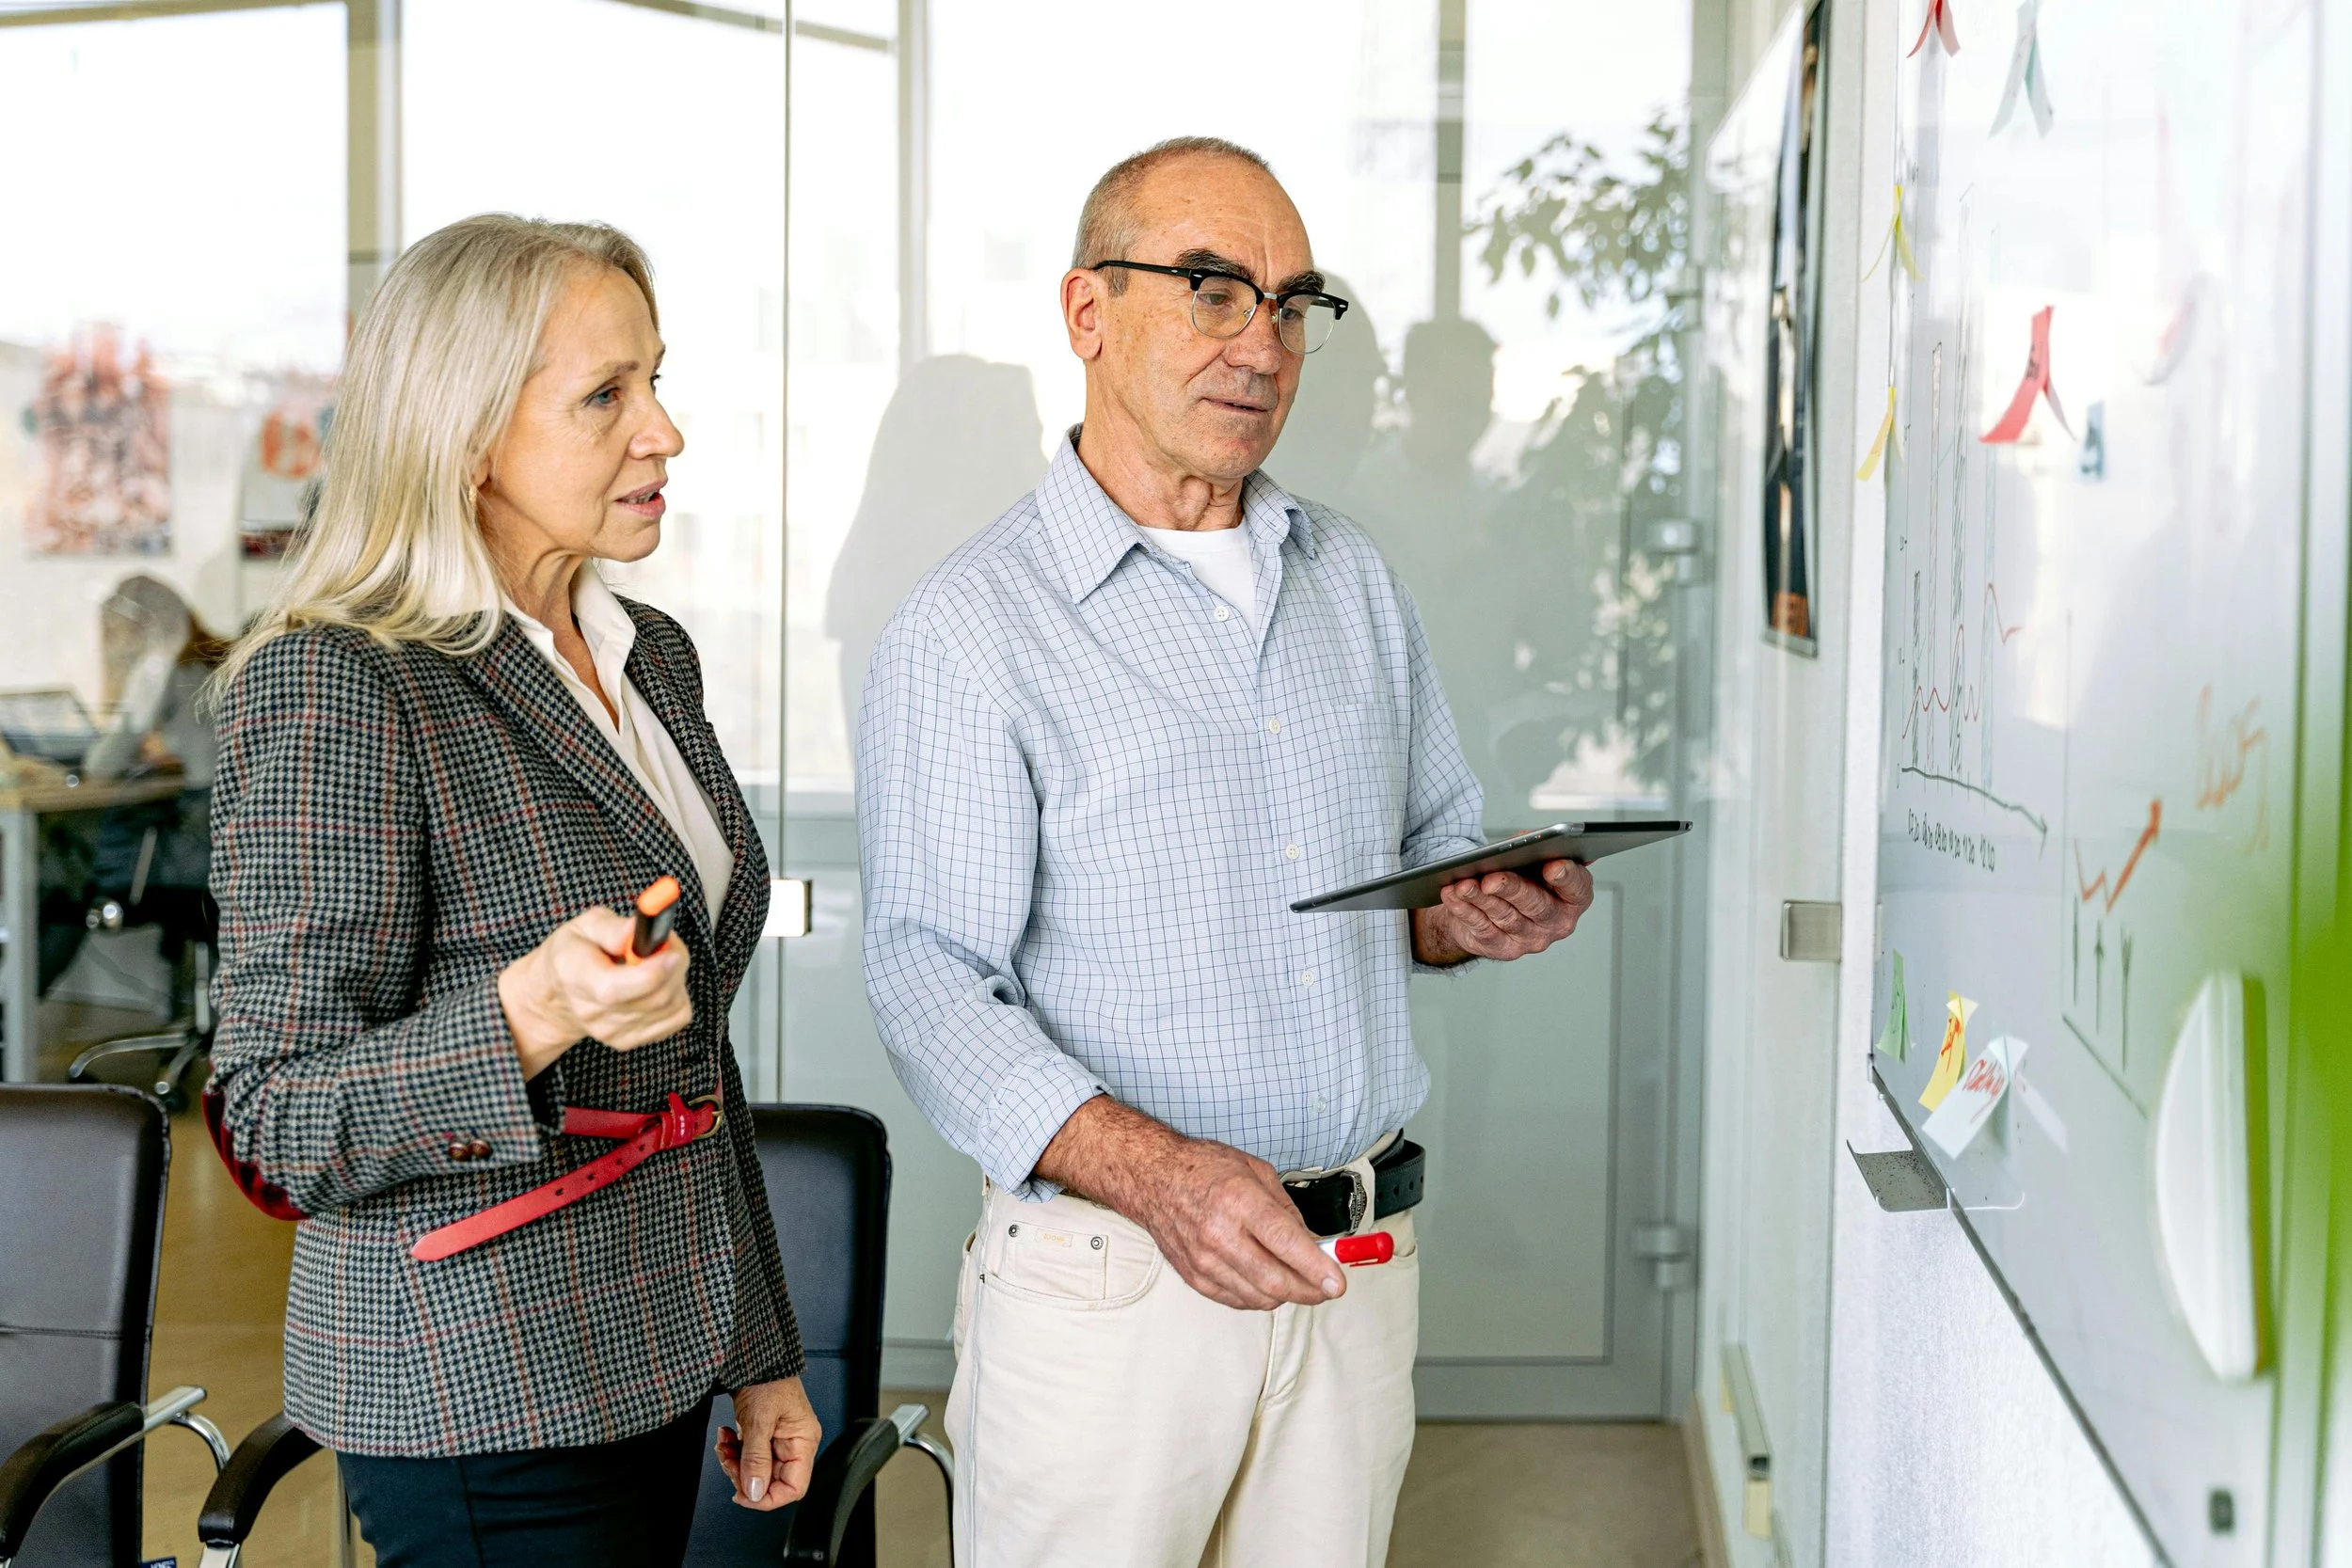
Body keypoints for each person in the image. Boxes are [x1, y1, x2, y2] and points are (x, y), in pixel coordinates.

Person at [856, 137, 1597, 1568]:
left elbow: (1424, 864)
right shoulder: (973, 628)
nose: (1262, 342)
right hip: (1109, 1296)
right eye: (1211, 289)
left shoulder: (1353, 581)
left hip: (1351, 1276)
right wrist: (1161, 1174)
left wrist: (1472, 907)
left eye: (1291, 303)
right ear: (1088, 314)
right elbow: (928, 982)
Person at [207, 215, 818, 1567]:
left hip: (651, 1352)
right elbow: (274, 1118)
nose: (664, 431)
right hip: (473, 1386)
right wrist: (529, 1009)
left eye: (655, 380)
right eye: (606, 395)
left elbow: (696, 1056)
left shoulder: (644, 652)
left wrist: (759, 1344)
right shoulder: (340, 685)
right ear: (464, 432)